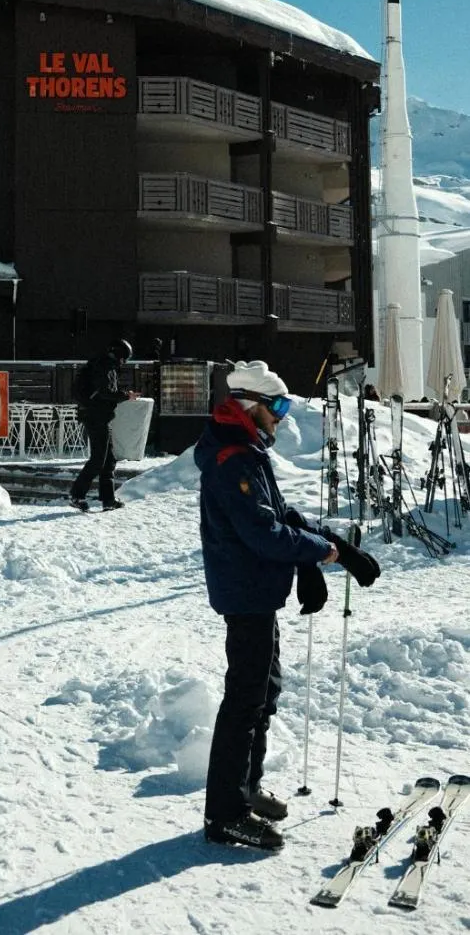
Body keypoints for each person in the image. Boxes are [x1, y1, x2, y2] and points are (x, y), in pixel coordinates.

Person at [195, 360, 340, 851]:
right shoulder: (233, 457)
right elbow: (262, 532)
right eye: (276, 406)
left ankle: (246, 788)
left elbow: (279, 515)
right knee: (245, 699)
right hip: (245, 591)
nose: (282, 416)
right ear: (249, 405)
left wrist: (324, 539)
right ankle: (225, 815)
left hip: (257, 590)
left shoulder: (248, 451)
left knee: (264, 689)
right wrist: (316, 552)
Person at [69, 339, 138, 512]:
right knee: (99, 459)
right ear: (120, 356)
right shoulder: (105, 366)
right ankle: (77, 495)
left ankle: (108, 500)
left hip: (98, 415)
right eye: (124, 358)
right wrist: (125, 395)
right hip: (96, 416)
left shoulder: (101, 364)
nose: (124, 362)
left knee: (108, 459)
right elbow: (105, 392)